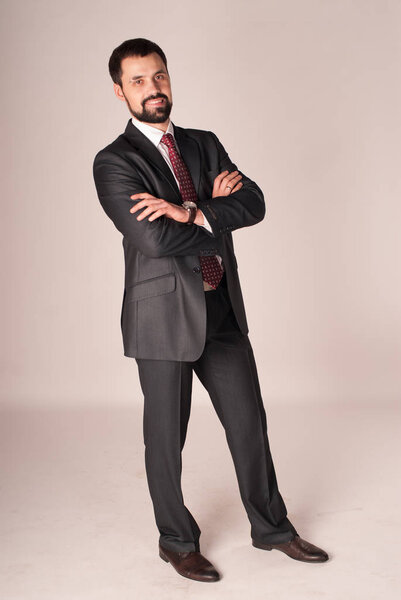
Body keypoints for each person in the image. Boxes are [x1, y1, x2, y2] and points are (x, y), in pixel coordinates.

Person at [93, 38, 329, 583]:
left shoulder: (204, 143)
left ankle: (272, 529)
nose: (153, 89)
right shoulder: (114, 162)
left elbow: (255, 203)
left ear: (169, 78)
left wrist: (190, 209)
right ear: (119, 91)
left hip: (220, 306)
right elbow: (152, 240)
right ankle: (176, 542)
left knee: (250, 425)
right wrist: (211, 214)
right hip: (161, 320)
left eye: (159, 76)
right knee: (166, 441)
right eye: (138, 81)